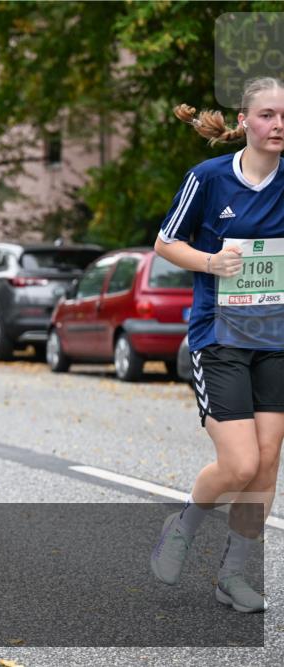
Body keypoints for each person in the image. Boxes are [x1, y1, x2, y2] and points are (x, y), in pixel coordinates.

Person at [149, 77, 283, 614]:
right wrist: (210, 262)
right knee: (240, 463)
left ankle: (233, 575)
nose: (278, 125)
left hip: (276, 339)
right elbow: (165, 243)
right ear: (245, 121)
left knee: (267, 464)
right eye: (268, 115)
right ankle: (183, 525)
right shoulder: (208, 178)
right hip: (220, 336)